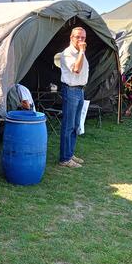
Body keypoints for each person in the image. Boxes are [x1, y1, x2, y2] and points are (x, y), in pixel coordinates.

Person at [58, 27, 88, 168]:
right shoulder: (67, 53)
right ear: (71, 37)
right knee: (68, 126)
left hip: (80, 90)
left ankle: (69, 153)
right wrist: (82, 52)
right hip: (71, 91)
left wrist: (81, 52)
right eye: (78, 37)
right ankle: (65, 159)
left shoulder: (80, 52)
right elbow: (76, 69)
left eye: (83, 37)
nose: (81, 40)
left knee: (76, 125)